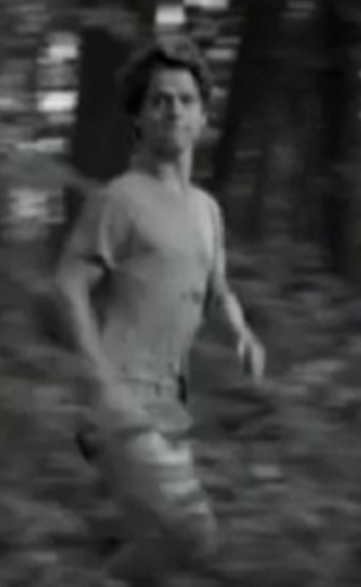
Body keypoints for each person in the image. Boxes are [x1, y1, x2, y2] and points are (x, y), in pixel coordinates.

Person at [43, 34, 266, 585]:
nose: (173, 109)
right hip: (120, 397)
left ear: (202, 116)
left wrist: (242, 332)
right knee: (192, 534)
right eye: (159, 100)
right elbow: (67, 285)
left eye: (186, 100)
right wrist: (102, 385)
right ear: (139, 117)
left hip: (169, 404)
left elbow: (217, 287)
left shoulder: (207, 211)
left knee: (166, 548)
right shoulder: (120, 199)